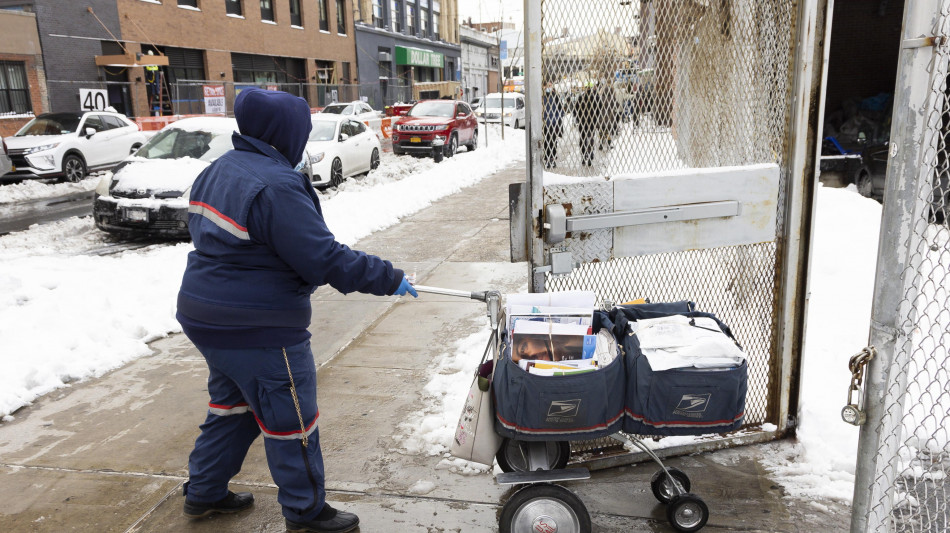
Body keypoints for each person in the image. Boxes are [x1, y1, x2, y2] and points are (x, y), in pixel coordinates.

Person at [176, 88, 417, 533]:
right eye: (300, 132)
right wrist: (387, 277)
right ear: (284, 132)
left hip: (205, 315)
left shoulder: (218, 170)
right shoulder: (276, 185)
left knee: (232, 408)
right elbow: (322, 257)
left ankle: (204, 493)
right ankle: (306, 513)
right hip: (260, 326)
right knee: (291, 420)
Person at [574, 84, 598, 167]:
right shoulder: (594, 98)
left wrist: (578, 118)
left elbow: (575, 110)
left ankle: (584, 156)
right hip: (591, 122)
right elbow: (598, 109)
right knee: (590, 138)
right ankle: (590, 153)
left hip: (582, 122)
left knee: (583, 139)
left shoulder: (580, 98)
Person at [541, 82, 564, 168]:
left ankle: (552, 158)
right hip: (545, 123)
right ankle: (547, 158)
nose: (548, 87)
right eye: (547, 86)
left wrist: (556, 118)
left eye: (550, 86)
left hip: (554, 123)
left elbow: (561, 110)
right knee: (546, 142)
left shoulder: (556, 97)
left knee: (553, 141)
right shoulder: (542, 97)